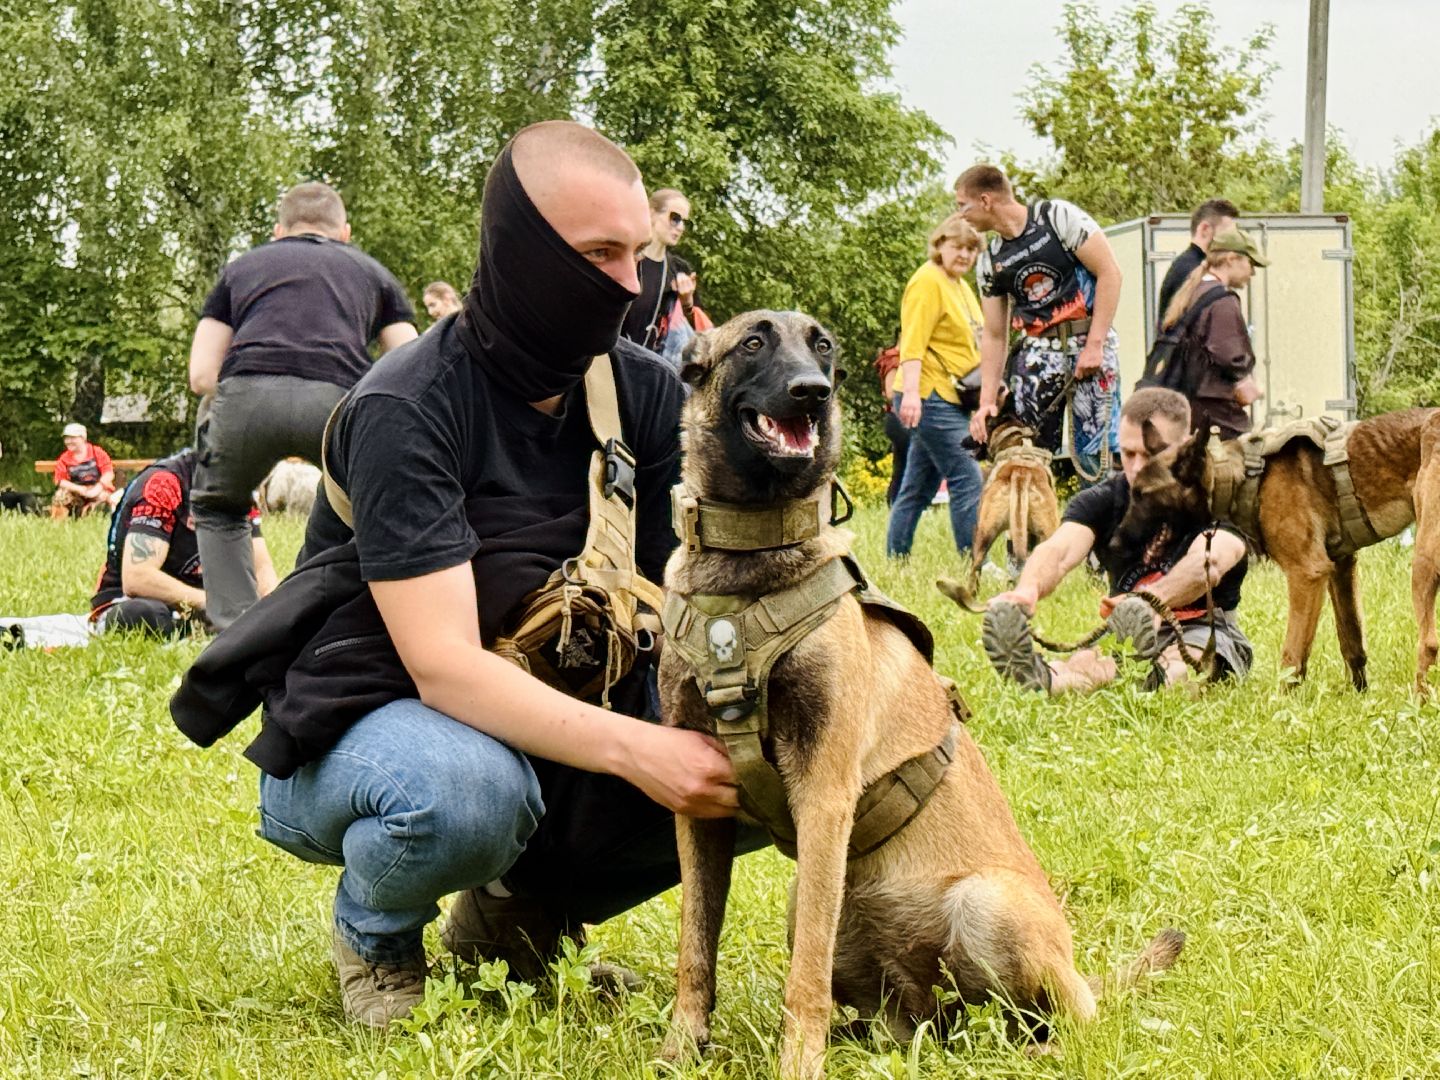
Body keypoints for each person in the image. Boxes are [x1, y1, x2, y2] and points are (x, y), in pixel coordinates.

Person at [266, 123, 744, 1028]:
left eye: (638, 253)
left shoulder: (635, 392)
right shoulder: (408, 405)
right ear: (520, 250)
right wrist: (647, 752)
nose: (625, 282)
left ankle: (517, 921)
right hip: (362, 727)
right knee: (472, 794)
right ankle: (377, 937)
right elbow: (442, 665)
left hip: (546, 703)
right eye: (597, 253)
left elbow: (710, 584)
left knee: (763, 740)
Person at [187, 182, 417, 631]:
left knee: (219, 508)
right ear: (344, 232)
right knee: (361, 511)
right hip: (337, 404)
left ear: (279, 231)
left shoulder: (242, 268)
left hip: (246, 401)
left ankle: (234, 634)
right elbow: (411, 366)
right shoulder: (373, 272)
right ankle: (332, 625)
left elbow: (201, 376)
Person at [981, 387, 1252, 694]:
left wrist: (1151, 600)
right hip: (1126, 632)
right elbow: (1059, 551)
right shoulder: (1104, 500)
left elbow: (1210, 561)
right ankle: (1045, 679)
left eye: (1151, 454)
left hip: (1202, 631)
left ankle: (1149, 680)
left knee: (1180, 665)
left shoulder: (1218, 497)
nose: (1136, 468)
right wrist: (1028, 589)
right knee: (1087, 662)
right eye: (1128, 454)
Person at [956, 165, 1123, 485]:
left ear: (986, 200)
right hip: (1037, 357)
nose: (961, 215)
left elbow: (1110, 273)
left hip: (1089, 343)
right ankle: (1031, 534)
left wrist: (1096, 344)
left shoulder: (1057, 218)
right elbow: (994, 334)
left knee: (1095, 458)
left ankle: (1103, 532)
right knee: (1028, 455)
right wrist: (987, 401)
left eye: (963, 205)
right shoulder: (991, 259)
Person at [89, 449, 276, 636]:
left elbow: (261, 568)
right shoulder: (163, 484)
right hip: (136, 601)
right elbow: (137, 578)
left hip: (204, 602)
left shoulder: (239, 488)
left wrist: (272, 609)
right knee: (146, 615)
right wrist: (216, 604)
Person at [886, 214, 986, 558]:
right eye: (957, 246)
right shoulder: (927, 281)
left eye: (971, 249)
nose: (964, 255)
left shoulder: (959, 285)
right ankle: (973, 559)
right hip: (929, 394)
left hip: (952, 396)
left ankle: (896, 558)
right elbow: (912, 343)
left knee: (919, 485)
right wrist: (911, 394)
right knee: (967, 475)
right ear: (939, 245)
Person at [1160, 225, 1267, 440]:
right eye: (1250, 263)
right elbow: (1229, 354)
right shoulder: (1222, 301)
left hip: (1187, 406)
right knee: (1252, 461)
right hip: (1215, 410)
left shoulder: (1194, 291)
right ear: (1231, 258)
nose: (1253, 272)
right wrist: (1243, 380)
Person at [619, 188, 697, 354]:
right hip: (606, 357)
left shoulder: (679, 270)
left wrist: (687, 302)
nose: (681, 227)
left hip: (646, 366)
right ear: (651, 213)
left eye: (685, 222)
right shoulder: (624, 254)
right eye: (675, 218)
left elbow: (695, 334)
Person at [1156, 199, 1239, 324]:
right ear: (1205, 229)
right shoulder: (1191, 271)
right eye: (1227, 235)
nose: (1232, 242)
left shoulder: (1187, 265)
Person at [50, 423, 115, 519]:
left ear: (83, 438)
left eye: (72, 438)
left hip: (98, 489)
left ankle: (94, 513)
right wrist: (80, 489)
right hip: (77, 492)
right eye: (66, 438)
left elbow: (108, 474)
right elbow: (60, 480)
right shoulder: (64, 458)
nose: (68, 441)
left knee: (105, 498)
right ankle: (59, 521)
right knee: (60, 496)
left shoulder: (97, 452)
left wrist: (96, 489)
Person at [872, 336, 910, 505]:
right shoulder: (895, 359)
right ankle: (896, 502)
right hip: (898, 418)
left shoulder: (902, 359)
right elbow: (891, 393)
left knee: (902, 464)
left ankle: (896, 503)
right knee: (906, 463)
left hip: (901, 418)